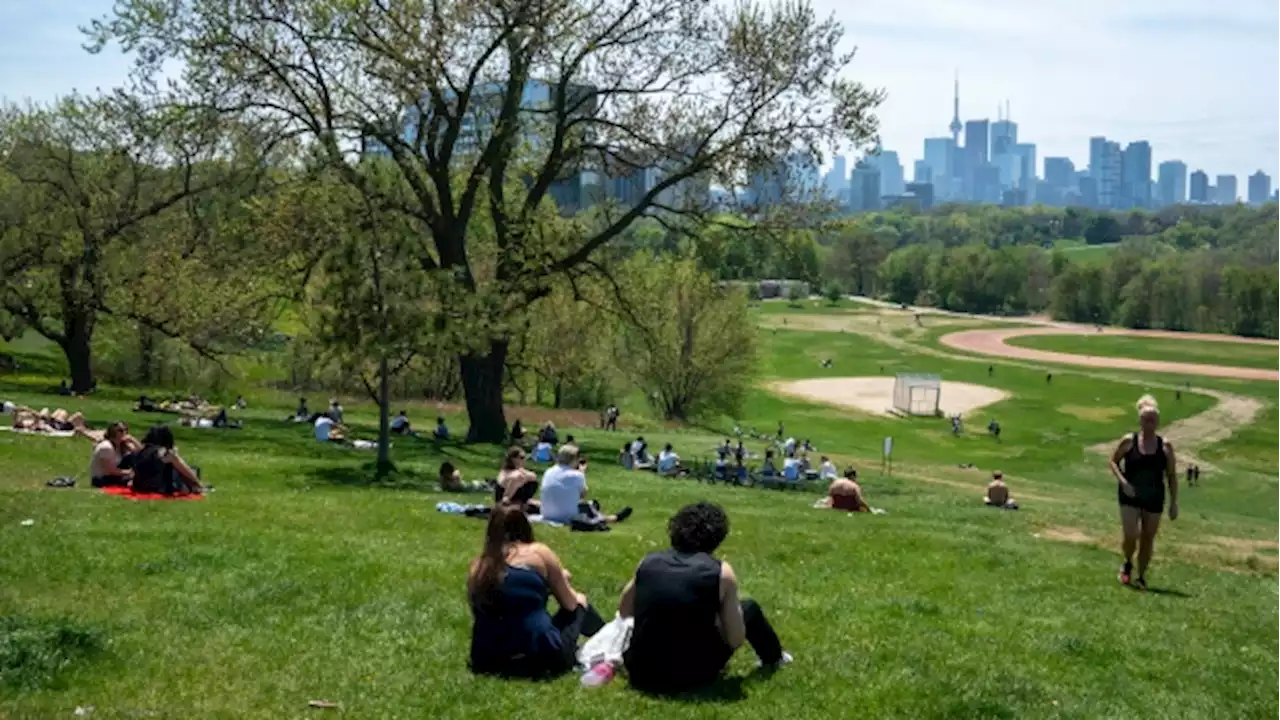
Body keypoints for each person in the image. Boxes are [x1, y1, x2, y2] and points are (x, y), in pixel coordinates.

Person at [619, 502, 791, 694]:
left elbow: (624, 612)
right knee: (749, 608)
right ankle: (774, 658)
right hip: (694, 676)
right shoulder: (721, 572)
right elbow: (735, 639)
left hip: (640, 672)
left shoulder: (647, 562)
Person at [467, 505, 605, 678]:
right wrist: (558, 582)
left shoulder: (479, 567)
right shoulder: (538, 552)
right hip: (537, 657)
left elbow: (506, 603)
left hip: (486, 659)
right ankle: (611, 641)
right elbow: (569, 604)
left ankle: (609, 640)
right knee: (580, 601)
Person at [1109, 395, 1178, 590]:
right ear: (1139, 421)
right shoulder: (1129, 441)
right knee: (1131, 534)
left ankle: (1141, 576)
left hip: (1154, 497)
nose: (1150, 423)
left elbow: (1172, 475)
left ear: (1158, 422)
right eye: (1146, 419)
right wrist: (1123, 482)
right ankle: (1127, 561)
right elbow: (1113, 461)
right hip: (1130, 495)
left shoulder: (1165, 446)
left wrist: (1174, 503)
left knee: (1148, 537)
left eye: (1153, 420)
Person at [539, 445, 632, 526]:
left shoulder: (549, 471)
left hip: (547, 513)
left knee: (589, 505)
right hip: (567, 516)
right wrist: (582, 473)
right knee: (587, 506)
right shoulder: (577, 475)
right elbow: (582, 495)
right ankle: (610, 518)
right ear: (574, 459)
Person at [130, 425, 204, 495]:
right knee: (182, 466)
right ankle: (197, 485)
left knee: (175, 464)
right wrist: (197, 482)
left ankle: (194, 485)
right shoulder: (161, 451)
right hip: (154, 487)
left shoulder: (142, 449)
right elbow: (177, 462)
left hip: (138, 484)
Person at [89, 422, 141, 488]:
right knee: (137, 480)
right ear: (113, 433)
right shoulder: (106, 447)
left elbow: (142, 453)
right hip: (102, 479)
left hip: (113, 475)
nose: (124, 433)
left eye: (126, 430)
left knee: (132, 457)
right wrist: (130, 472)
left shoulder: (121, 445)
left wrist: (133, 440)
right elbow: (110, 470)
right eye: (121, 431)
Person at [496, 447, 540, 512]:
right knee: (519, 479)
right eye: (521, 458)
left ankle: (521, 504)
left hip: (515, 500)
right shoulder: (510, 473)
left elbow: (533, 476)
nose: (524, 460)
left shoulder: (518, 471)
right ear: (513, 459)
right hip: (505, 500)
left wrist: (525, 477)